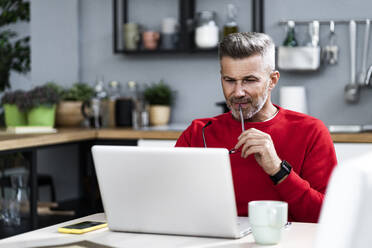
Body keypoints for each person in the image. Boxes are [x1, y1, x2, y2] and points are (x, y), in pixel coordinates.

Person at [175, 32, 337, 223]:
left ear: (273, 81)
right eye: (229, 80)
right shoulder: (198, 132)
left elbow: (328, 216)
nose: (238, 92)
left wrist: (278, 169)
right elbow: (170, 203)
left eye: (249, 80)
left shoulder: (311, 131)